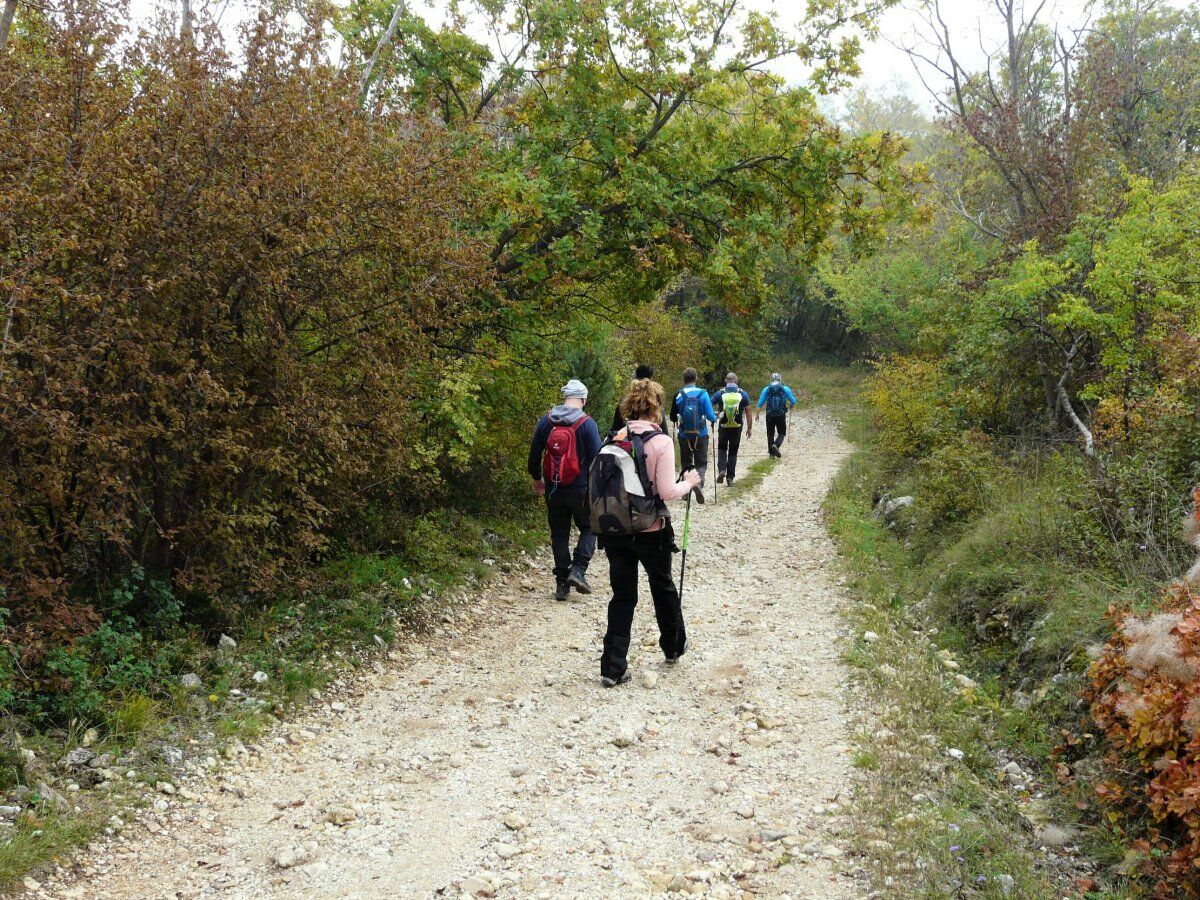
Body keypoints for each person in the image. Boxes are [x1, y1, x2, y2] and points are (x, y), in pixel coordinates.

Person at [598, 379, 700, 687]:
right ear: (656, 407)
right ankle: (673, 646)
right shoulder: (661, 442)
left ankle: (612, 667)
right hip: (650, 529)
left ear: (628, 405)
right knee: (662, 587)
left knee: (622, 595)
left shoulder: (613, 438)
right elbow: (668, 491)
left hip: (615, 529)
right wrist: (691, 482)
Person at [528, 379, 602, 600]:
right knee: (589, 529)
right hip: (580, 490)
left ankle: (562, 584)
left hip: (554, 489)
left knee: (559, 535)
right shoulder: (587, 423)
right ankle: (578, 571)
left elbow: (534, 454)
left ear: (565, 397)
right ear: (582, 399)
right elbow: (597, 459)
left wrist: (537, 478)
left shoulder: (547, 421)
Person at [670, 367, 717, 504]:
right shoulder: (703, 393)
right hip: (701, 434)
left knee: (686, 462)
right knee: (701, 463)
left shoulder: (678, 394)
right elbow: (709, 415)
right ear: (696, 379)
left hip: (684, 435)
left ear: (683, 380)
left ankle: (686, 492)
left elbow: (673, 417)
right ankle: (699, 483)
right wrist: (715, 419)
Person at [710, 372, 752, 485]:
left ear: (725, 381)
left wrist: (715, 415)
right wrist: (749, 428)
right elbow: (748, 412)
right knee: (733, 452)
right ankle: (730, 478)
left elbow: (709, 405)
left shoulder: (720, 393)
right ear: (736, 381)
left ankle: (722, 470)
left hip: (723, 426)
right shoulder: (743, 394)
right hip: (737, 427)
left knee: (722, 448)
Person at [612, 364, 669, 434]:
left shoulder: (625, 400)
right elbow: (664, 430)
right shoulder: (655, 400)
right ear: (651, 379)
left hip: (628, 441)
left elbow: (615, 428)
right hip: (652, 440)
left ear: (636, 378)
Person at [757, 372, 797, 458]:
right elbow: (793, 401)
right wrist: (791, 405)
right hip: (781, 415)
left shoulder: (767, 389)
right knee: (782, 433)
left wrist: (757, 414)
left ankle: (771, 454)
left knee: (770, 434)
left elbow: (760, 403)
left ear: (772, 379)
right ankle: (776, 444)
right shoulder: (785, 388)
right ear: (780, 379)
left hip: (770, 415)